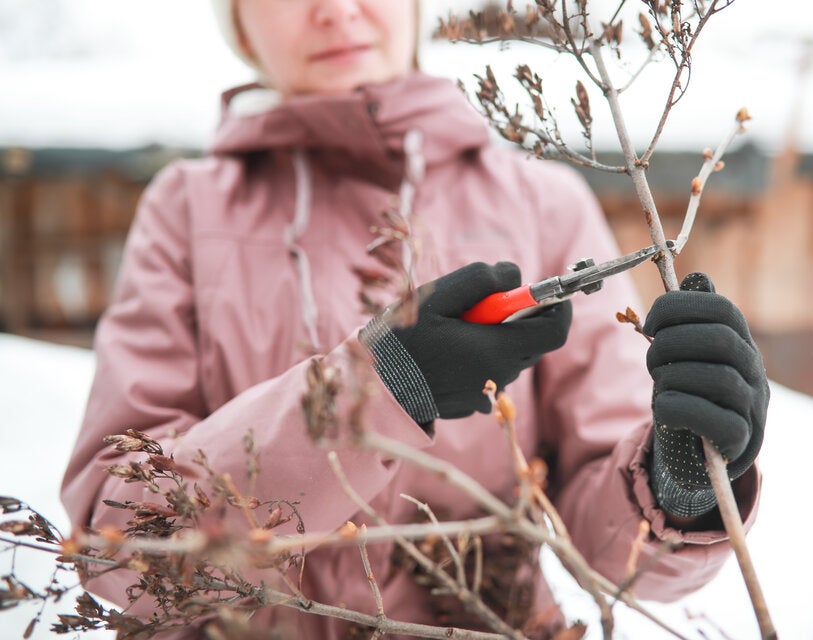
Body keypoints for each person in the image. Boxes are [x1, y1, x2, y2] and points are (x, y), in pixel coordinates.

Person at [61, 1, 769, 637]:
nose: (336, 11)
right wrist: (379, 388)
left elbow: (614, 547)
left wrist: (677, 487)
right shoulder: (186, 212)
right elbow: (121, 546)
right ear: (239, 21)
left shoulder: (542, 204)